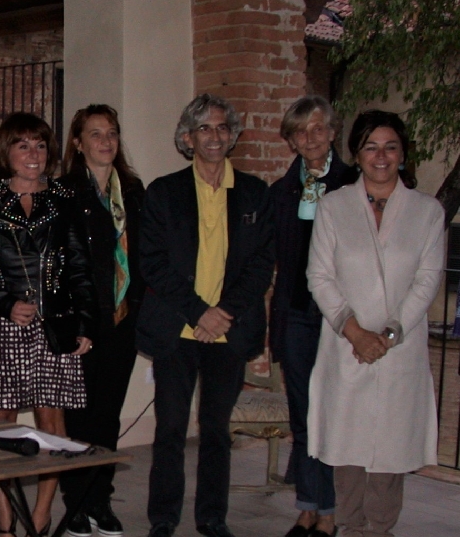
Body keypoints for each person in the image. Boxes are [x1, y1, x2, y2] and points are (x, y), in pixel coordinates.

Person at [136, 94, 274, 537]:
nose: (213, 136)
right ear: (187, 137)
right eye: (204, 128)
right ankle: (163, 518)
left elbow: (261, 263)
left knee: (216, 431)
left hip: (228, 332)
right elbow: (153, 262)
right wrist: (199, 312)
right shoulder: (164, 192)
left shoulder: (254, 193)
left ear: (231, 136)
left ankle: (213, 518)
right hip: (178, 330)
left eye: (221, 127)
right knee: (171, 430)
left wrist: (224, 313)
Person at [306, 110, 443, 537]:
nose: (380, 156)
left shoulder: (427, 211)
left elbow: (427, 280)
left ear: (403, 155)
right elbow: (319, 276)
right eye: (370, 146)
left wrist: (387, 335)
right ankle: (351, 527)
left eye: (390, 147)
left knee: (389, 457)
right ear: (357, 154)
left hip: (397, 348)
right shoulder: (333, 207)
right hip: (347, 347)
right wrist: (355, 332)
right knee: (348, 453)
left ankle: (379, 530)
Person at [0, 112, 96, 537]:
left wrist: (85, 324)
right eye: (23, 145)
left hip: (53, 326)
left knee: (52, 428)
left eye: (39, 145)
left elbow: (79, 266)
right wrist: (5, 304)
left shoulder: (64, 200)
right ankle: (5, 522)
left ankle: (39, 518)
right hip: (3, 326)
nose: (33, 154)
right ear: (6, 152)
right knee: (0, 427)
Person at [57, 105, 145, 537]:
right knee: (80, 417)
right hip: (84, 323)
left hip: (124, 318)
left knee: (108, 416)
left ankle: (101, 501)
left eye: (111, 133)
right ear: (78, 143)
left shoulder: (132, 189)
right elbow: (58, 266)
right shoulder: (65, 192)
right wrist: (76, 323)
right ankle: (77, 504)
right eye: (95, 134)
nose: (105, 141)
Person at [270, 96, 351, 537]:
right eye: (300, 131)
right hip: (297, 313)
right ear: (291, 141)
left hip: (341, 316)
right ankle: (307, 506)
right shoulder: (281, 192)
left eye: (318, 128)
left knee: (335, 414)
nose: (310, 138)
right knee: (303, 412)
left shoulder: (353, 183)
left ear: (333, 133)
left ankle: (331, 512)